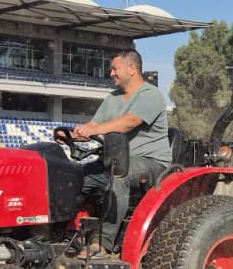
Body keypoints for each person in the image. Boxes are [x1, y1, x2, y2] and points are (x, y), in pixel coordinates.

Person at [67, 49, 172, 255]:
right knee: (74, 177)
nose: (111, 73)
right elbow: (94, 125)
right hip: (116, 159)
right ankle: (63, 231)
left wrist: (95, 130)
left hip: (150, 162)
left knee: (119, 176)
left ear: (132, 69)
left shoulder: (151, 95)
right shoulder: (113, 98)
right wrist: (72, 135)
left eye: (115, 69)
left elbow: (129, 122)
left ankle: (102, 243)